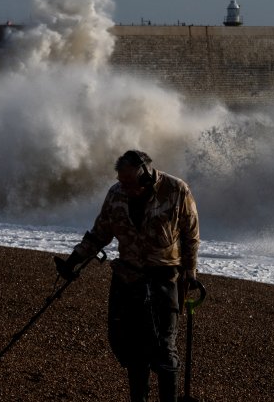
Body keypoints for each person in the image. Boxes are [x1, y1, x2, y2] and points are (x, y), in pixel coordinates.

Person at [56, 149, 200, 402]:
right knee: (131, 350)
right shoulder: (116, 194)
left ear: (146, 176)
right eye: (122, 182)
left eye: (131, 183)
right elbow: (100, 233)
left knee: (164, 350)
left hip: (164, 279)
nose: (126, 188)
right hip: (127, 279)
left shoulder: (177, 190)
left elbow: (191, 236)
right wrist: (73, 261)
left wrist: (190, 273)